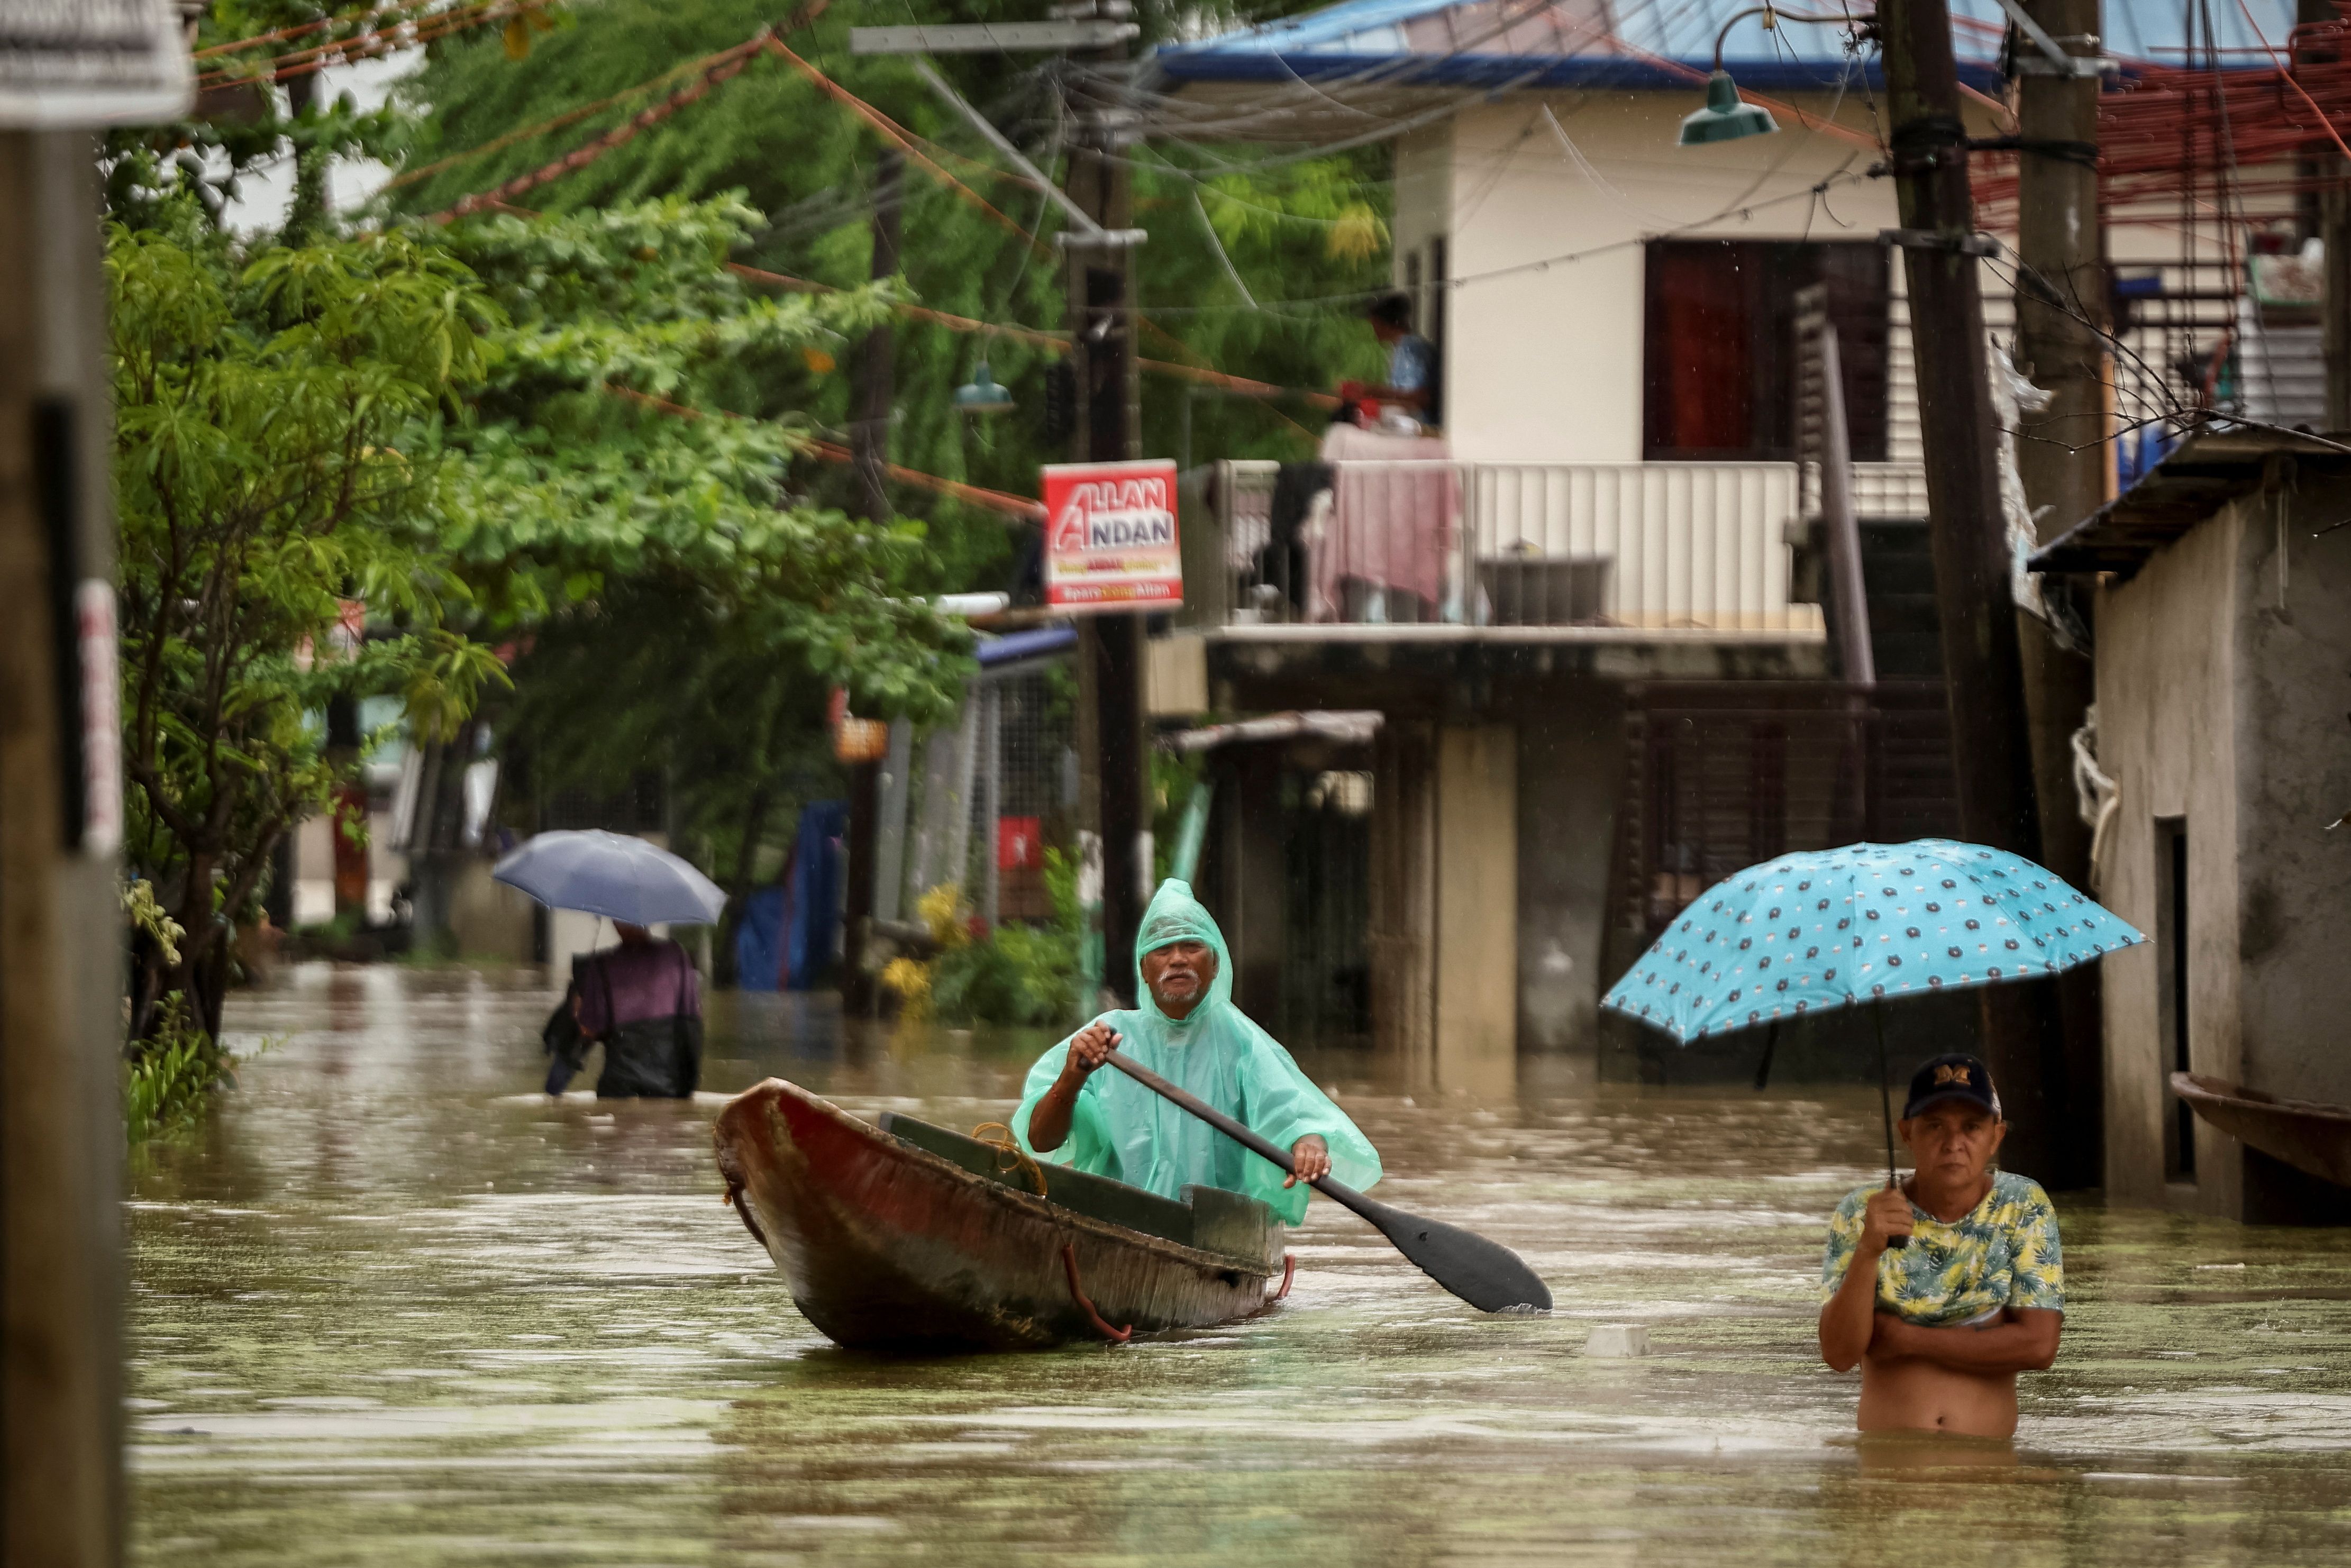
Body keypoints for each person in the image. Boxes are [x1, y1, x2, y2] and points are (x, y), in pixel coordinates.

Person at [1014, 879, 1380, 1225]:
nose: (1178, 959)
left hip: (1214, 1226)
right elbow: (1041, 1141)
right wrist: (1072, 1076)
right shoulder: (1105, 1038)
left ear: (1215, 964)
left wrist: (1309, 1146)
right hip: (1120, 1219)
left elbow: (1296, 1117)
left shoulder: (1241, 1041)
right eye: (1162, 949)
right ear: (1144, 968)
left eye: (1192, 946)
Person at [1818, 1053, 2064, 1438]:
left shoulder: (2022, 1205)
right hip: (1887, 1460)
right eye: (1935, 1126)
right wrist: (1868, 1250)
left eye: (1972, 1127)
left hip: (1987, 1466)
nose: (1953, 1144)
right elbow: (1838, 1354)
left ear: (1996, 1136)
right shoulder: (1863, 1210)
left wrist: (1908, 1339)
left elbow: (2039, 1347)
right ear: (1906, 1133)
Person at [544, 922, 703, 1099]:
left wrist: (578, 1006)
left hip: (620, 1088)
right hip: (669, 1088)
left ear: (616, 923)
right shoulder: (676, 955)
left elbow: (589, 1030)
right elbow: (692, 1024)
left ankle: (551, 1093)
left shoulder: (603, 965)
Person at [1340, 291, 1438, 430]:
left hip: (1426, 430)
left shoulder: (1411, 350)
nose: (1372, 327)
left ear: (1382, 322)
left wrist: (1370, 392)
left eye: (1373, 322)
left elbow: (1421, 398)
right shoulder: (1400, 349)